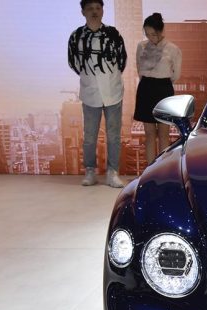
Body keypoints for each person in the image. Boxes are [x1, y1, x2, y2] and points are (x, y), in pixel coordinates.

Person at [67, 0, 126, 187]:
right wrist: (89, 76)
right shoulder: (76, 36)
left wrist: (110, 75)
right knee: (90, 136)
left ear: (102, 11)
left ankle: (112, 172)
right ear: (83, 12)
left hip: (113, 92)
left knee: (114, 135)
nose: (94, 12)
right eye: (90, 8)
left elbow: (122, 59)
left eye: (98, 8)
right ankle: (90, 171)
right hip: (90, 92)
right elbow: (73, 62)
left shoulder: (113, 34)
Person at [135, 13, 182, 167]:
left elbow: (176, 75)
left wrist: (162, 82)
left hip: (164, 89)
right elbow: (139, 68)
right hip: (145, 89)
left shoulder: (173, 49)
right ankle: (150, 170)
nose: (150, 37)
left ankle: (163, 170)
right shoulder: (141, 46)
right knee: (149, 135)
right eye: (147, 34)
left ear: (161, 31)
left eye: (153, 34)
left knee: (163, 134)